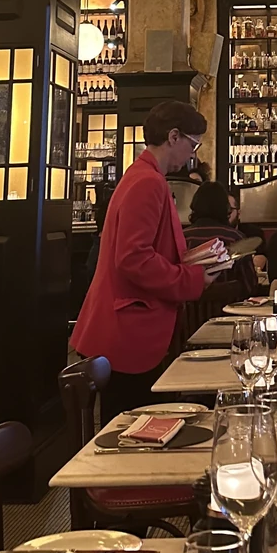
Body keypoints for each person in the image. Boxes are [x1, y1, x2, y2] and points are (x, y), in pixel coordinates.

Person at [73, 100, 217, 416]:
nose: (193, 155)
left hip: (122, 328)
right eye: (193, 145)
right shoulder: (148, 182)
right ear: (174, 136)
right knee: (134, 430)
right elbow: (133, 259)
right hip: (129, 332)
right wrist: (193, 277)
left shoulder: (141, 175)